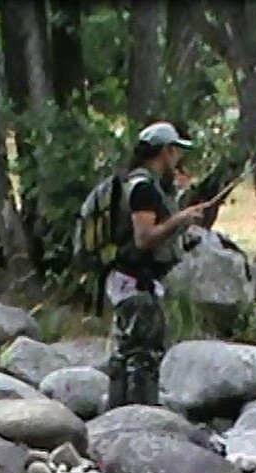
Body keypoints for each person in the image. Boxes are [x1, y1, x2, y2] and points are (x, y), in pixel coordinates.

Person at [105, 120, 214, 408]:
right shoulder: (143, 189)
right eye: (177, 151)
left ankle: (118, 415)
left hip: (128, 280)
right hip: (134, 283)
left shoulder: (139, 184)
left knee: (127, 352)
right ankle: (139, 419)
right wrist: (180, 220)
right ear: (166, 151)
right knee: (143, 356)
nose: (179, 158)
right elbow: (144, 238)